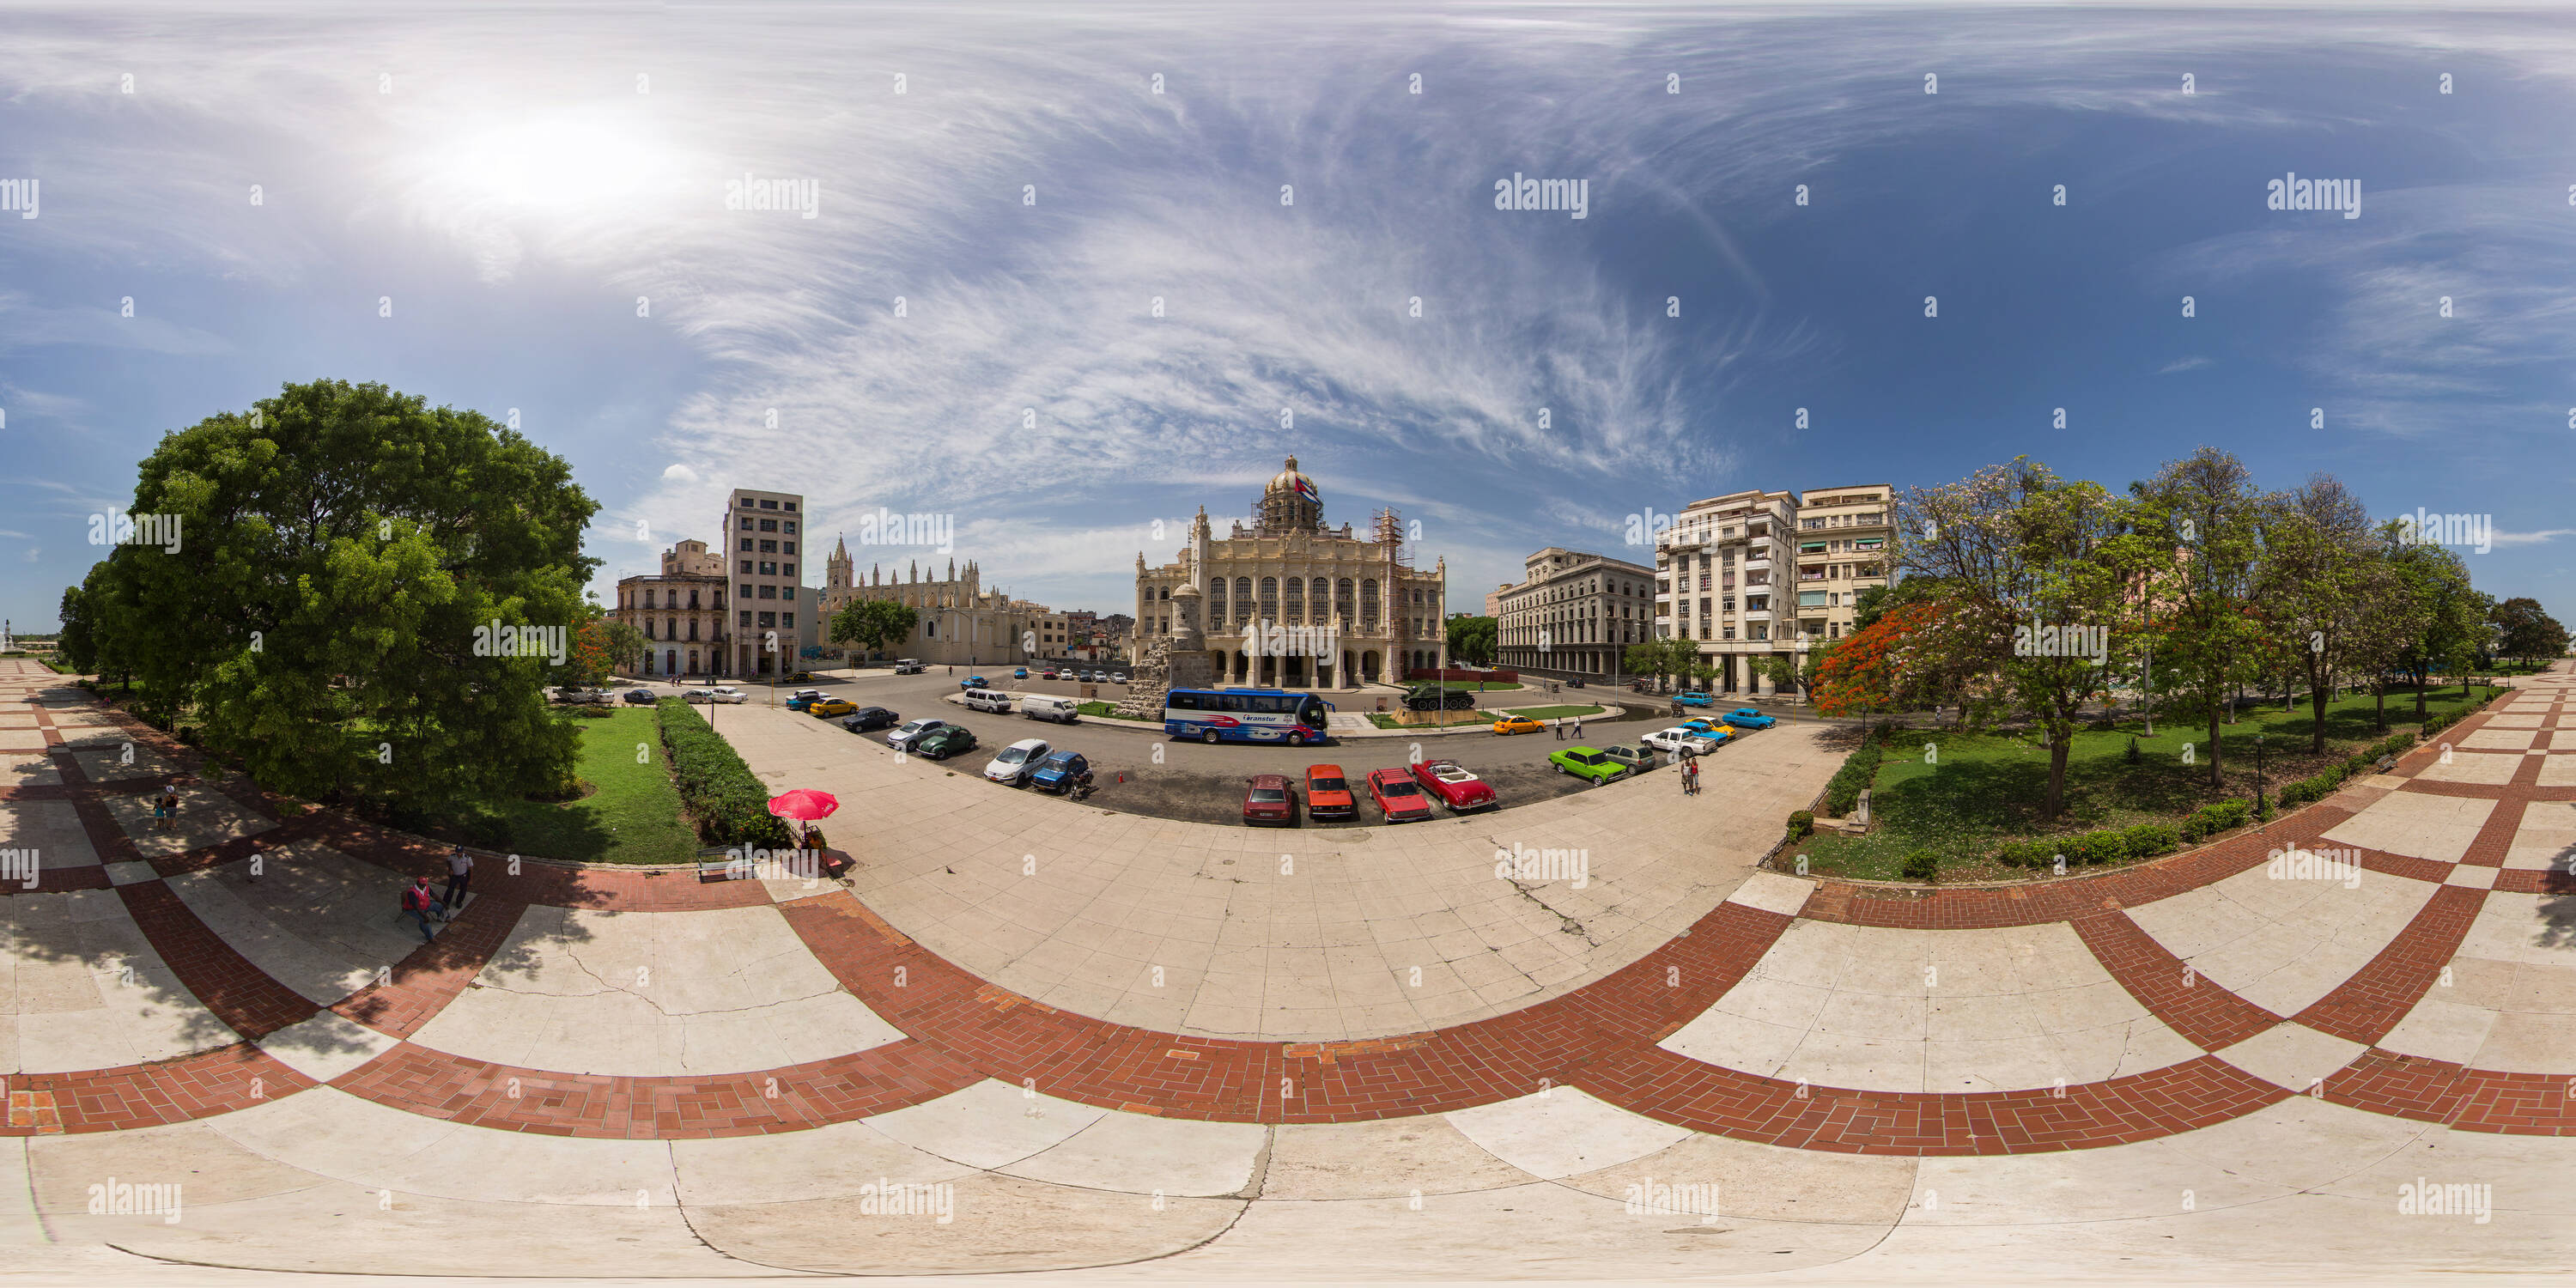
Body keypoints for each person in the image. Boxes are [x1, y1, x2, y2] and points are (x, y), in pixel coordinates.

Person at [399, 876, 446, 943]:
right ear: (418, 883)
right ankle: (430, 937)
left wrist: (443, 903)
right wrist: (424, 916)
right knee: (424, 920)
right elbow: (416, 907)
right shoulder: (412, 892)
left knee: (439, 905)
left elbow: (434, 895)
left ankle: (444, 917)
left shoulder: (426, 887)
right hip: (413, 909)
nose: (424, 885)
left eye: (425, 883)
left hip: (426, 905)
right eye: (422, 884)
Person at [442, 846, 473, 913]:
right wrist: (450, 869)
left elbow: (470, 869)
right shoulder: (452, 856)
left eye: (460, 852)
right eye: (457, 852)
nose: (458, 854)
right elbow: (448, 862)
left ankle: (459, 902)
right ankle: (446, 902)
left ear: (462, 852)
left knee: (463, 890)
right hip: (454, 876)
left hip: (463, 876)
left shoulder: (467, 858)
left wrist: (470, 880)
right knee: (450, 889)